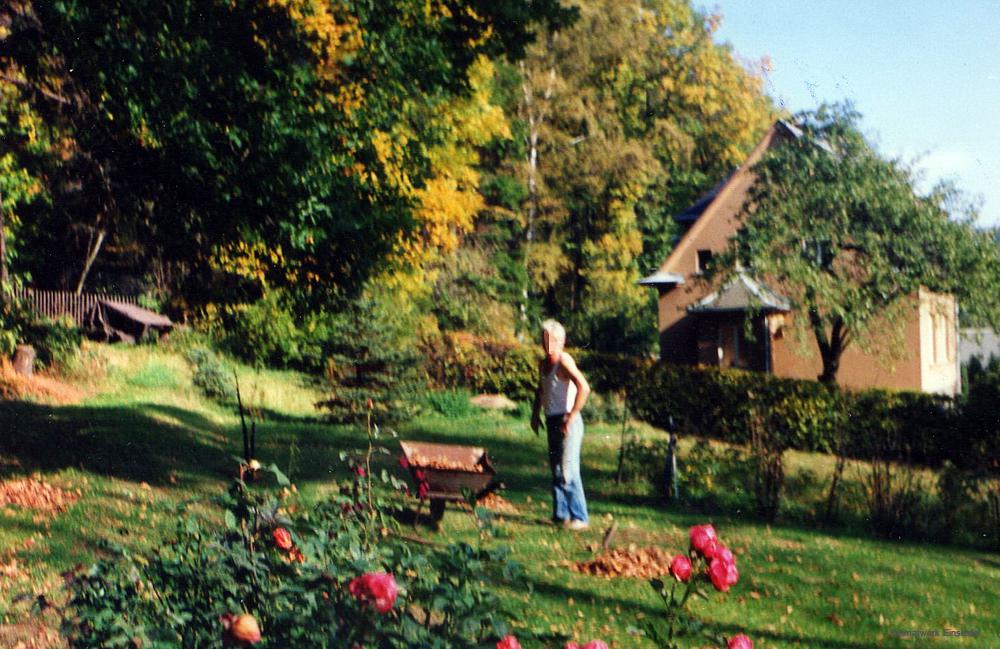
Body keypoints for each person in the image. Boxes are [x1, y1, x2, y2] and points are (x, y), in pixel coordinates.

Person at [530, 319, 591, 530]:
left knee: (568, 469)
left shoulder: (564, 361)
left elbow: (584, 387)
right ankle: (561, 515)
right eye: (544, 339)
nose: (547, 343)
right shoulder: (542, 364)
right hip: (551, 419)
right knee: (556, 470)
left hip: (568, 421)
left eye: (552, 340)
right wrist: (535, 414)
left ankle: (580, 517)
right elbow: (541, 390)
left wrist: (571, 416)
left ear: (561, 341)